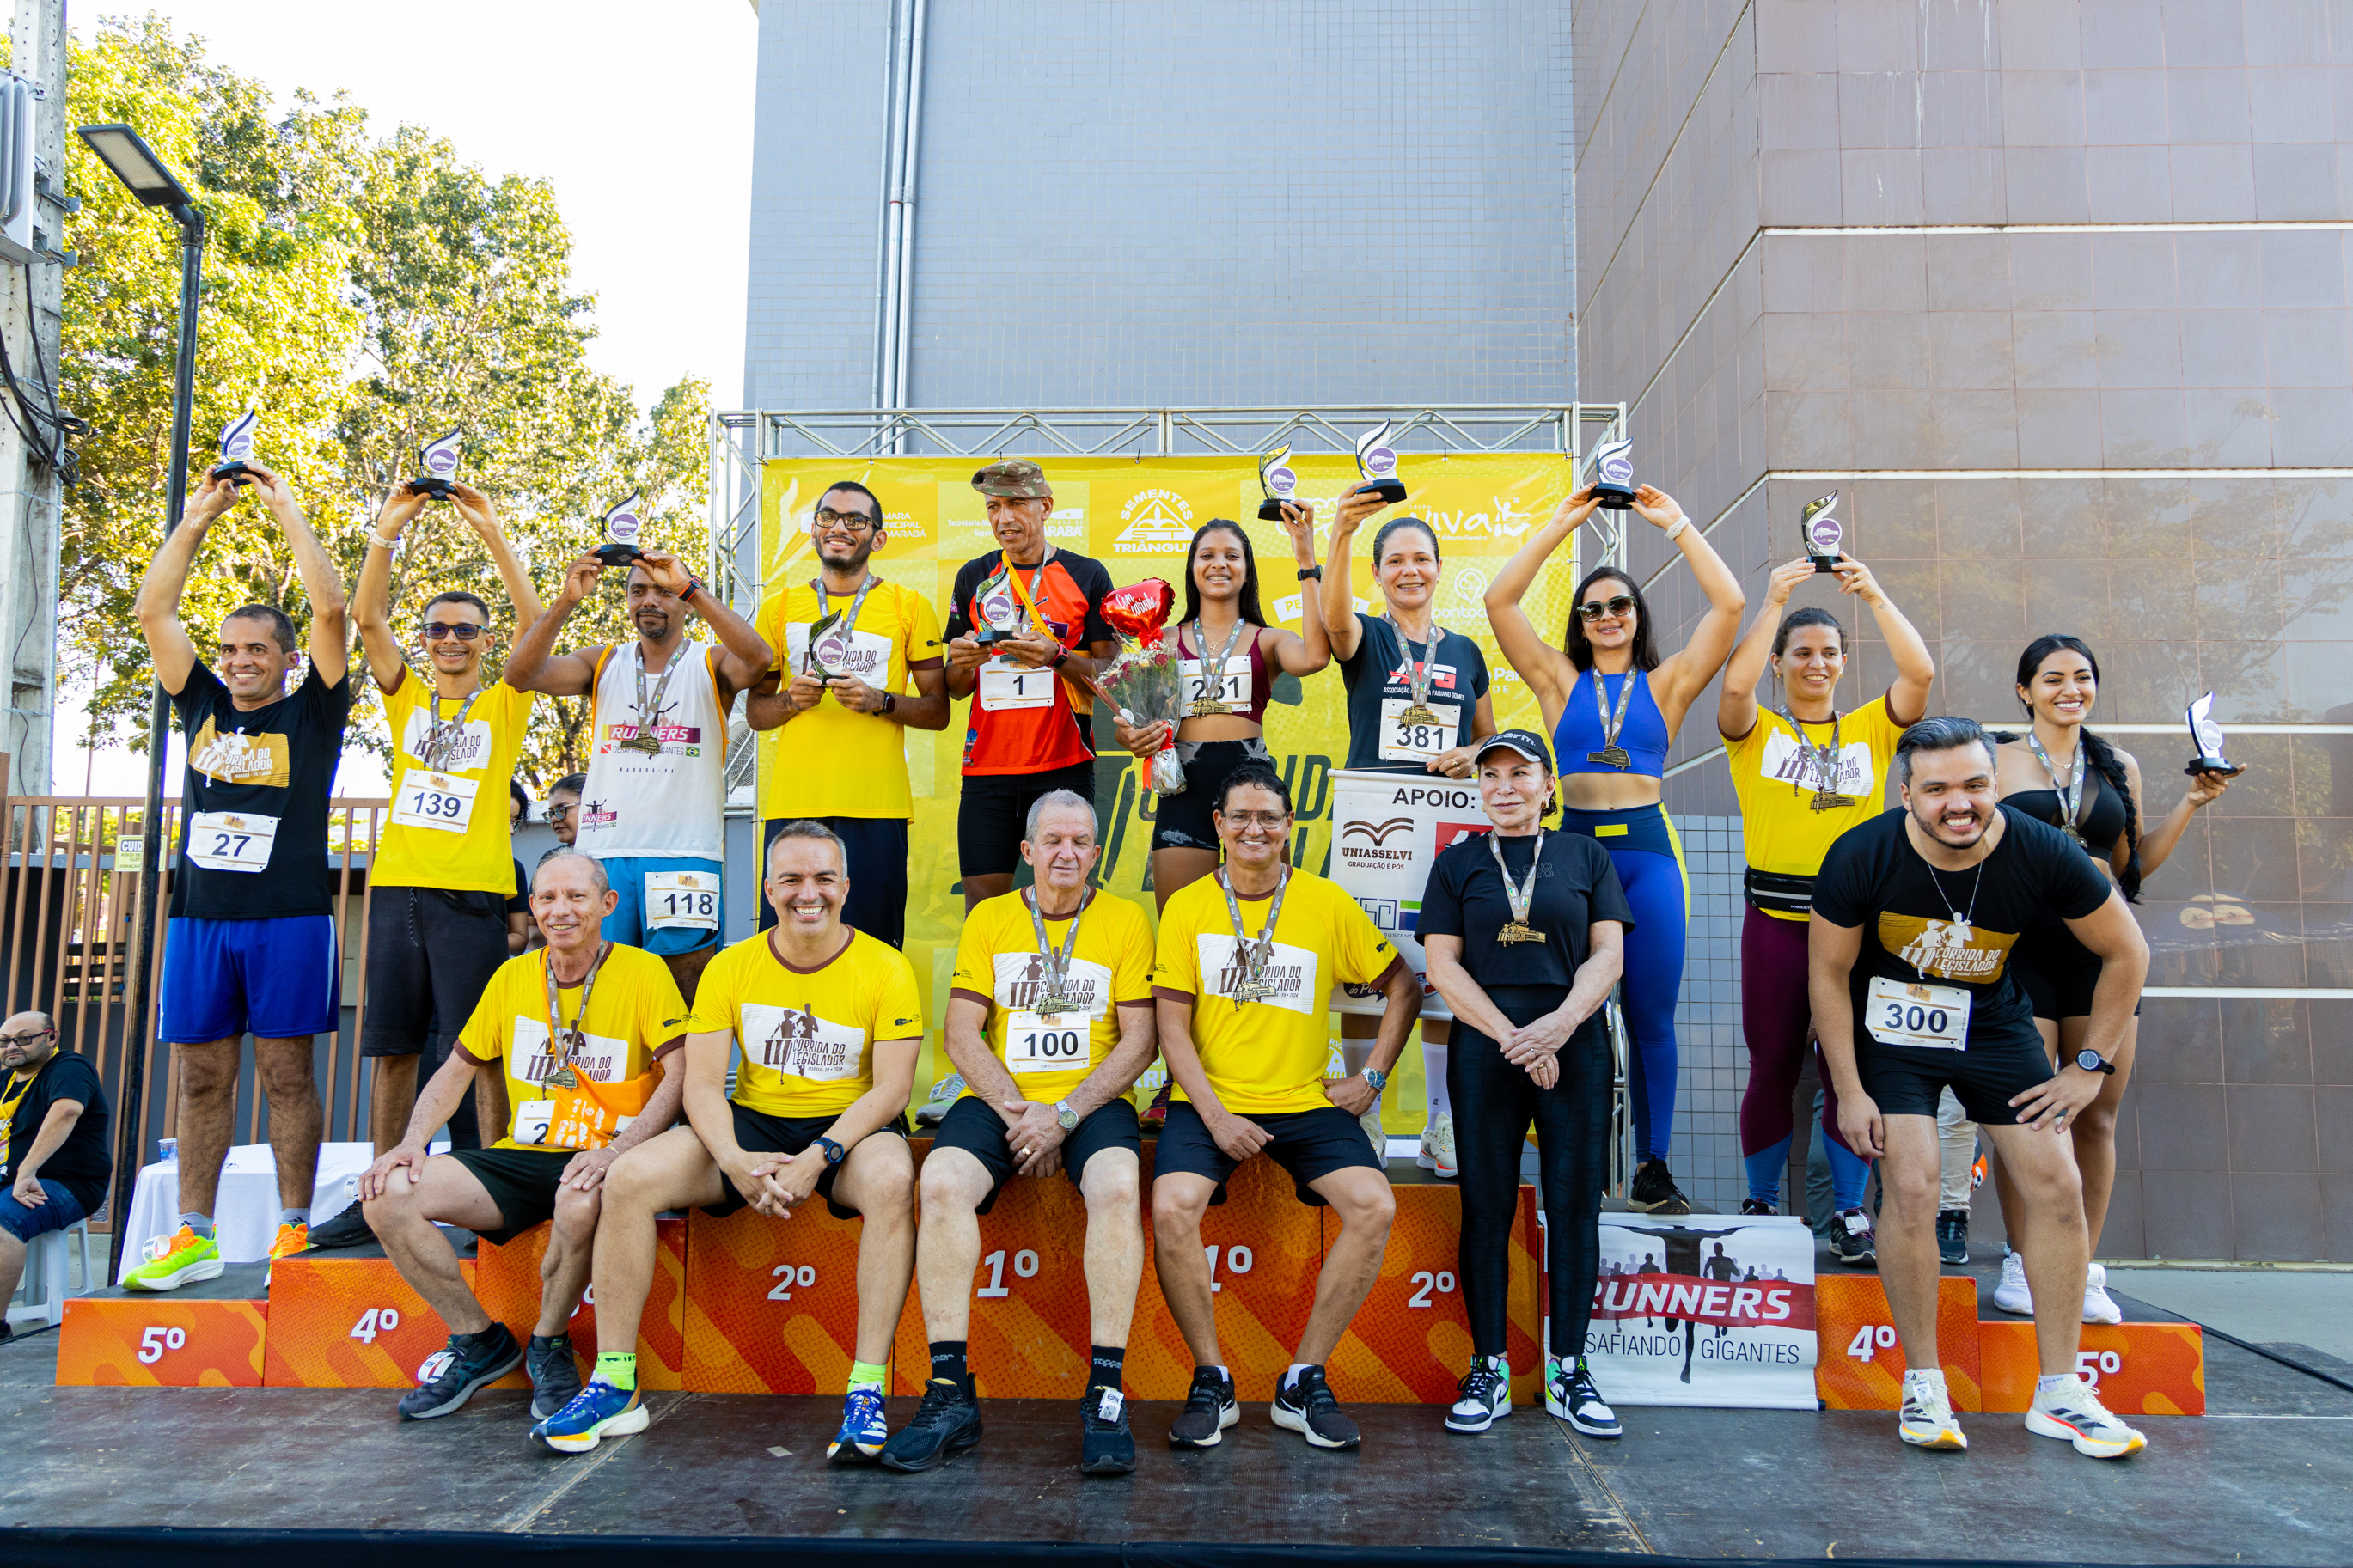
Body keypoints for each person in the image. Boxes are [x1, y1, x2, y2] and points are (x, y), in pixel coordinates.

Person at [1811, 717, 2152, 1459]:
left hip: (1993, 1025)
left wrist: (2088, 1065)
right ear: (1907, 794)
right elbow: (1828, 975)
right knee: (1914, 1180)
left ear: (1995, 785)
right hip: (1890, 1031)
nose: (1956, 803)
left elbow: (2129, 951)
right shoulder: (1860, 853)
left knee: (2057, 1184)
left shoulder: (2044, 850)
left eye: (1973, 785)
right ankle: (1925, 1383)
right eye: (1936, 789)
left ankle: (2061, 1390)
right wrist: (1849, 1090)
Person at [533, 822, 920, 1459]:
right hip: (753, 1123)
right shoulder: (732, 964)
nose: (808, 892)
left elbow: (891, 1092)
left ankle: (867, 1390)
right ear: (769, 888)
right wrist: (735, 1160)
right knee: (628, 1177)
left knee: (892, 1176)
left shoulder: (886, 965)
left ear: (845, 887)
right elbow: (704, 1085)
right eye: (791, 878)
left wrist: (819, 1157)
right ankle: (615, 1383)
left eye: (823, 878)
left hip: (847, 1127)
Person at [1485, 483, 1745, 1215]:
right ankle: (1572, 1150)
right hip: (1568, 853)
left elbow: (1728, 607)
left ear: (1637, 618)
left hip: (1648, 855)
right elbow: (1501, 604)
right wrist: (1560, 524)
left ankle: (1653, 1165)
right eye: (1592, 608)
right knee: (1562, 1004)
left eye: (1619, 606)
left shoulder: (1666, 685)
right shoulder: (1559, 680)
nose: (1605, 617)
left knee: (1649, 1013)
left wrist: (1678, 521)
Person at [882, 790, 1156, 1476]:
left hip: (1087, 1101)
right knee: (940, 1182)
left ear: (1097, 853)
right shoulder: (993, 919)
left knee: (1120, 1185)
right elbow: (960, 1032)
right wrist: (1019, 1110)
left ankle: (1106, 1392)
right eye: (1053, 840)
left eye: (1082, 842)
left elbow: (1141, 1039)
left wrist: (1062, 1115)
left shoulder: (1125, 920)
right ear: (1028, 850)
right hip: (1005, 1097)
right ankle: (950, 1393)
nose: (1068, 853)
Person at [358, 851, 688, 1422]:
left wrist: (618, 1150)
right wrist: (413, 1140)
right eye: (548, 898)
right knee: (387, 1194)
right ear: (531, 906)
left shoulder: (642, 971)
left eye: (577, 897)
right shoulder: (512, 976)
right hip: (521, 1154)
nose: (562, 910)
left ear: (607, 904)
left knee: (579, 1199)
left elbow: (681, 1075)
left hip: (601, 1156)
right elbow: (457, 1068)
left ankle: (549, 1341)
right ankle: (478, 1337)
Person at [1148, 762, 1421, 1453]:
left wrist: (1374, 1078)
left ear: (1290, 827)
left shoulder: (1325, 901)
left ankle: (1303, 1377)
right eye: (1240, 816)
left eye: (1269, 817)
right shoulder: (1187, 907)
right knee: (1174, 1204)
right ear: (1217, 824)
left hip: (1305, 1101)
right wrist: (1213, 1116)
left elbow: (1402, 985)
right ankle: (1212, 1378)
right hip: (1210, 1101)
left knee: (1374, 1203)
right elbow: (1170, 1028)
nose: (1254, 829)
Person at [125, 465, 348, 1289]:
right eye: (230, 649)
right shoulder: (200, 703)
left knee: (287, 1074)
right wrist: (198, 516)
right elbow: (154, 610)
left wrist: (283, 503)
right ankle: (195, 1233)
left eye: (257, 649)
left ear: (287, 660)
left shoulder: (313, 710)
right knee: (200, 1075)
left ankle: (293, 1227)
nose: (241, 660)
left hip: (288, 916)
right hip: (199, 919)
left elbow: (331, 610)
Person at [316, 481, 544, 1252]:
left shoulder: (505, 702)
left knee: (477, 1052)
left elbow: (540, 624)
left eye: (467, 630)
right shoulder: (407, 697)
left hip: (474, 896)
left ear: (484, 641)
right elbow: (367, 618)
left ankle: (485, 1190)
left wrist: (491, 528)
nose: (452, 639)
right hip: (397, 892)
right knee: (393, 1047)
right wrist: (387, 528)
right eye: (440, 629)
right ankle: (382, 1189)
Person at [1989, 633, 2236, 1323]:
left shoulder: (2115, 764)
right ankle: (2022, 1256)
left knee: (2095, 1114)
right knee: (2029, 1112)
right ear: (2025, 690)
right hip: (2022, 953)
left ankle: (2079, 1263)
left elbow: (2131, 871)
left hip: (2103, 955)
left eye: (2083, 677)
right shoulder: (1998, 760)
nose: (2070, 688)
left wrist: (2190, 803)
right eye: (2053, 678)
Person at [1715, 552, 1934, 1263]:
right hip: (1776, 922)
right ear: (1780, 662)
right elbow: (1735, 683)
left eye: (1830, 653)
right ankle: (1758, 1201)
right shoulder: (1757, 734)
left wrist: (1872, 591)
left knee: (1852, 1068)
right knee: (1774, 1062)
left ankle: (1849, 1212)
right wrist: (1773, 598)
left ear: (1844, 662)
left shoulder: (1873, 727)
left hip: (1856, 925)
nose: (1817, 663)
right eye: (1801, 653)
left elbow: (1920, 674)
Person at [1417, 732, 1630, 1438]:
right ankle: (1489, 1367)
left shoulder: (1585, 856)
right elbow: (1442, 967)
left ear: (1548, 785)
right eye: (1492, 775)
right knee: (1485, 1206)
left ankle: (1571, 1369)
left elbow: (1609, 953)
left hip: (1574, 1044)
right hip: (1487, 1047)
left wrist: (1559, 1027)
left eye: (1520, 773)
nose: (1505, 786)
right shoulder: (1455, 864)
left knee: (1575, 1208)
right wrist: (1516, 1039)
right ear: (1479, 787)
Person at [504, 548, 773, 1004]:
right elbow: (519, 674)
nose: (649, 600)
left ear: (685, 601)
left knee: (685, 993)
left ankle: (683, 1079)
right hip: (604, 856)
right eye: (638, 591)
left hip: (686, 854)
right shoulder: (602, 661)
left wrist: (691, 587)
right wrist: (566, 602)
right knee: (604, 993)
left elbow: (759, 658)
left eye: (664, 592)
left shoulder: (710, 663)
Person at [1320, 491, 1498, 1181]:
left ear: (1440, 566)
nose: (1410, 570)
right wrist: (1340, 532)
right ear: (1376, 573)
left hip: (1445, 832)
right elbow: (1333, 621)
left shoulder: (1464, 650)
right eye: (1395, 560)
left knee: (1440, 975)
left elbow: (1490, 742)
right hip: (1371, 828)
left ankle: (1440, 1123)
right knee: (1363, 978)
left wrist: (1473, 757)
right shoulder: (1367, 635)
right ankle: (1365, 1113)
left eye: (1422, 558)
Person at [747, 479, 949, 949]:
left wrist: (881, 702)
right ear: (814, 531)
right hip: (794, 805)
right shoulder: (778, 608)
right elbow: (757, 712)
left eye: (855, 519)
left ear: (877, 537)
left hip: (875, 807)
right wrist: (789, 702)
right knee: (785, 946)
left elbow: (939, 710)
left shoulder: (908, 606)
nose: (839, 527)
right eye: (828, 517)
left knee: (874, 947)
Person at [1115, 512, 1328, 906]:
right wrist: (1131, 737)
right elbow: (1131, 723)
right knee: (1181, 922)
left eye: (1232, 556)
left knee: (1264, 922)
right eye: (1207, 555)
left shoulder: (1269, 640)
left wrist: (1306, 565)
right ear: (1192, 569)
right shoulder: (1158, 641)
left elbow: (1315, 657)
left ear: (1247, 571)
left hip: (1254, 791)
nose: (1219, 564)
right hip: (1182, 787)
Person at [940, 460, 1118, 913]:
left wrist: (1056, 656)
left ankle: (1063, 985)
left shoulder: (1087, 574)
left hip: (1063, 762)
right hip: (987, 767)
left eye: (1017, 504)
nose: (1004, 518)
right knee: (983, 906)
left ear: (1046, 507)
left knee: (1064, 896)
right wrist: (964, 661)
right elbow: (956, 687)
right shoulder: (973, 576)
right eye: (993, 507)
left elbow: (1112, 675)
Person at [0, 1014, 111, 1331]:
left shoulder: (70, 1067)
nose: (12, 1047)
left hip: (67, 1184)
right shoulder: (5, 1081)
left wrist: (26, 1171)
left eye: (23, 1038)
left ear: (51, 1037)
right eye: (5, 1041)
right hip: (11, 1180)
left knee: (2, 1221)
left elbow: (67, 1111)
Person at [545, 772, 586, 851]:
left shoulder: (614, 855)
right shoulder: (553, 860)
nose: (554, 819)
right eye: (551, 813)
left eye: (562, 809)